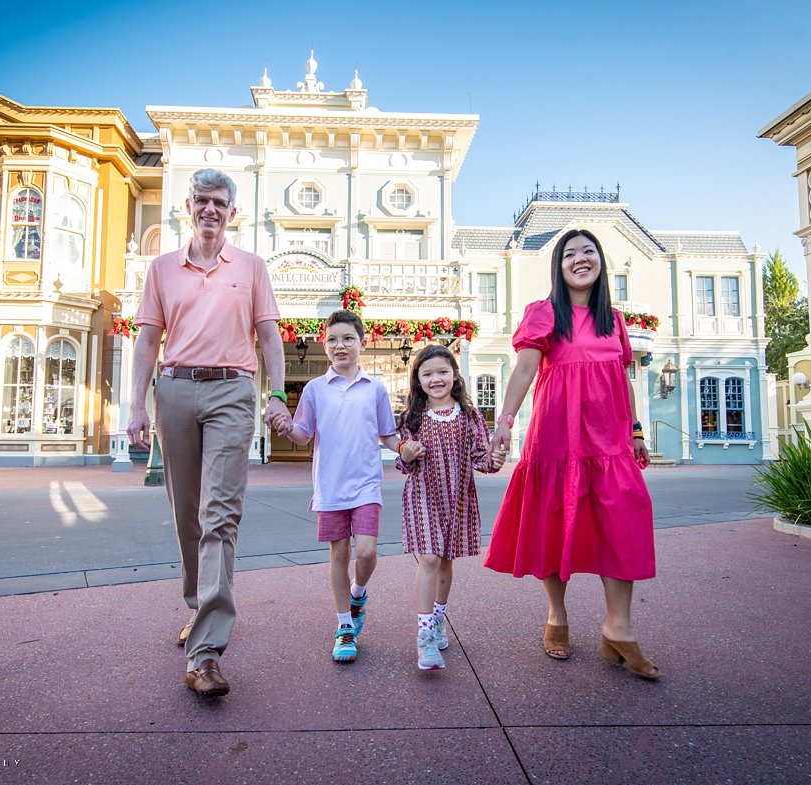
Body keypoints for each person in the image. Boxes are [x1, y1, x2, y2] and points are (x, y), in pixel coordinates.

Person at [127, 169, 289, 697]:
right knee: (186, 513)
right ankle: (199, 609)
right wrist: (136, 404)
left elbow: (268, 334)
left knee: (220, 513)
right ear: (189, 207)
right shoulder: (161, 269)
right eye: (202, 200)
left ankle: (206, 652)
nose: (210, 209)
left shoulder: (252, 267)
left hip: (231, 393)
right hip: (173, 390)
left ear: (231, 211)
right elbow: (148, 341)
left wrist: (277, 392)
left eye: (220, 202)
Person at [485, 228, 660, 680]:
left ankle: (618, 627)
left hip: (610, 439)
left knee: (624, 520)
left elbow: (623, 380)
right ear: (558, 266)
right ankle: (556, 617)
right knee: (553, 523)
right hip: (557, 438)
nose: (580, 259)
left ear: (601, 261)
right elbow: (524, 370)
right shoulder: (543, 313)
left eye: (589, 251)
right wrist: (504, 422)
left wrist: (636, 430)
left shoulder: (614, 320)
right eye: (570, 254)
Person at [275, 310, 400, 664]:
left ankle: (358, 595)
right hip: (330, 486)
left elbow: (387, 434)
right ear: (324, 345)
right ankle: (345, 627)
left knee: (367, 553)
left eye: (347, 338)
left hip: (366, 484)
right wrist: (286, 426)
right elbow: (303, 435)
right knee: (338, 555)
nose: (339, 345)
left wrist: (404, 447)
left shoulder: (375, 388)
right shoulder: (315, 389)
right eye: (332, 339)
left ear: (363, 342)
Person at [396, 344, 505, 671]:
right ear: (418, 380)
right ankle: (425, 635)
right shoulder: (412, 419)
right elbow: (404, 465)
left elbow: (481, 460)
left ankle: (439, 617)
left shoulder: (469, 417)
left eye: (442, 371)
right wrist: (406, 454)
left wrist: (495, 460)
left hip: (456, 498)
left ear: (454, 375)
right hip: (423, 496)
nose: (436, 379)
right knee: (429, 557)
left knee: (445, 561)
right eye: (427, 374)